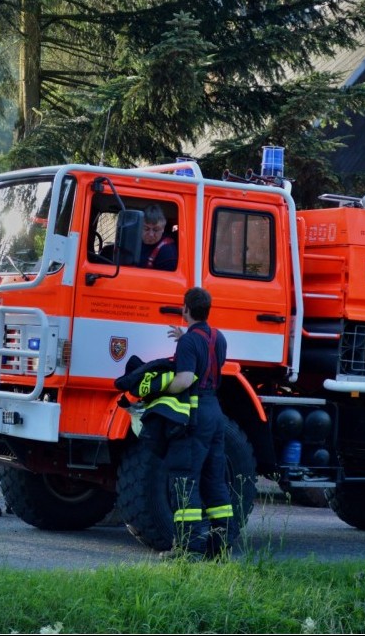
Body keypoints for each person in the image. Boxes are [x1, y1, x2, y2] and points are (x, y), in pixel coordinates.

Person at [160, 287, 233, 559]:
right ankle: (220, 549)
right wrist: (185, 339)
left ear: (185, 309)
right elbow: (209, 361)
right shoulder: (218, 337)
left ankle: (187, 549)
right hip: (215, 410)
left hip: (196, 412)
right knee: (215, 480)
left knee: (185, 478)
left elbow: (185, 379)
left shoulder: (190, 342)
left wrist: (156, 391)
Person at [137, 204, 178, 271]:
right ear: (139, 227)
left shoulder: (168, 253)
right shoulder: (132, 241)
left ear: (163, 229)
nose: (151, 234)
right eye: (146, 229)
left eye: (156, 230)